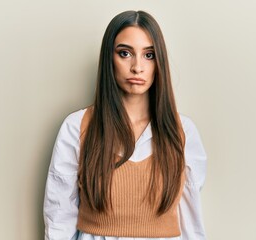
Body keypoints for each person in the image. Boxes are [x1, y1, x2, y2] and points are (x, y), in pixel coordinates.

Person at [43, 10, 207, 240]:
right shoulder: (77, 127)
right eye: (125, 53)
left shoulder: (183, 132)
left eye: (149, 55)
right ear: (109, 58)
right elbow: (59, 216)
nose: (137, 67)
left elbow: (191, 221)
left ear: (159, 62)